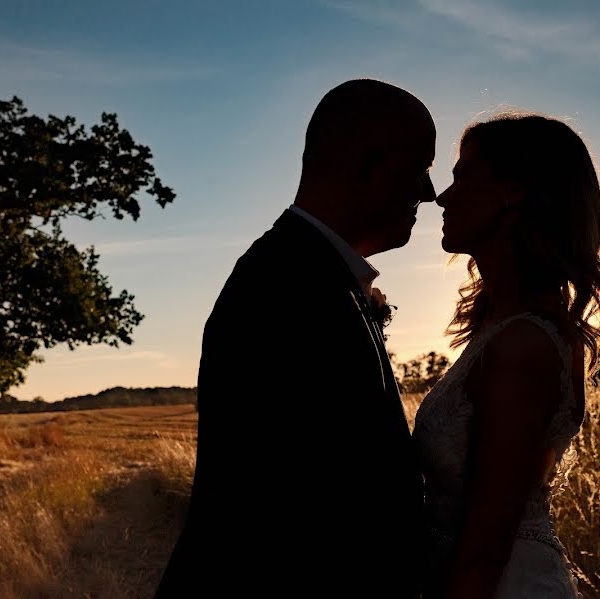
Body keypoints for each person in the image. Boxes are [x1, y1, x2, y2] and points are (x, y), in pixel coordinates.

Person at [155, 79, 436, 597]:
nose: (430, 193)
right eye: (421, 167)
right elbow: (294, 504)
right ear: (366, 162)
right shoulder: (287, 286)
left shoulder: (307, 271)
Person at [413, 112, 600, 598]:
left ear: (514, 191)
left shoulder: (524, 345)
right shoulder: (500, 330)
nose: (443, 196)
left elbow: (485, 545)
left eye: (463, 177)